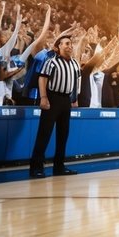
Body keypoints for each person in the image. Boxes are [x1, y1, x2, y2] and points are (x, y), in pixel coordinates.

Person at [29, 33, 82, 178]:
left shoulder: (75, 63)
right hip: (52, 98)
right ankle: (36, 168)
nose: (69, 46)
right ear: (58, 47)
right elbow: (42, 79)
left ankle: (59, 167)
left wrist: (74, 99)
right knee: (44, 133)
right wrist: (44, 97)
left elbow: (76, 82)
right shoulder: (51, 62)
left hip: (66, 100)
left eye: (70, 43)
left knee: (63, 135)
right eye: (65, 43)